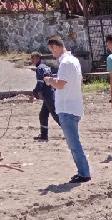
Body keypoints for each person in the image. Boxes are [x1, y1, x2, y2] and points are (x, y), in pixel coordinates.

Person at [44, 36, 91, 184]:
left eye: (52, 50)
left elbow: (61, 84)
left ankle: (84, 173)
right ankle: (84, 172)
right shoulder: (74, 60)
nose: (52, 54)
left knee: (74, 144)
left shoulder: (65, 62)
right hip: (74, 106)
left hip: (67, 108)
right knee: (74, 143)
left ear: (56, 47)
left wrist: (49, 80)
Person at [30, 51, 60, 142]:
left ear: (38, 58)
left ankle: (70, 132)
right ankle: (44, 136)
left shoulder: (39, 68)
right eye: (32, 58)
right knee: (43, 115)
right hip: (50, 93)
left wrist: (35, 93)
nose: (32, 60)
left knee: (56, 116)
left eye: (33, 58)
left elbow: (40, 83)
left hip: (48, 95)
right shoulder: (46, 67)